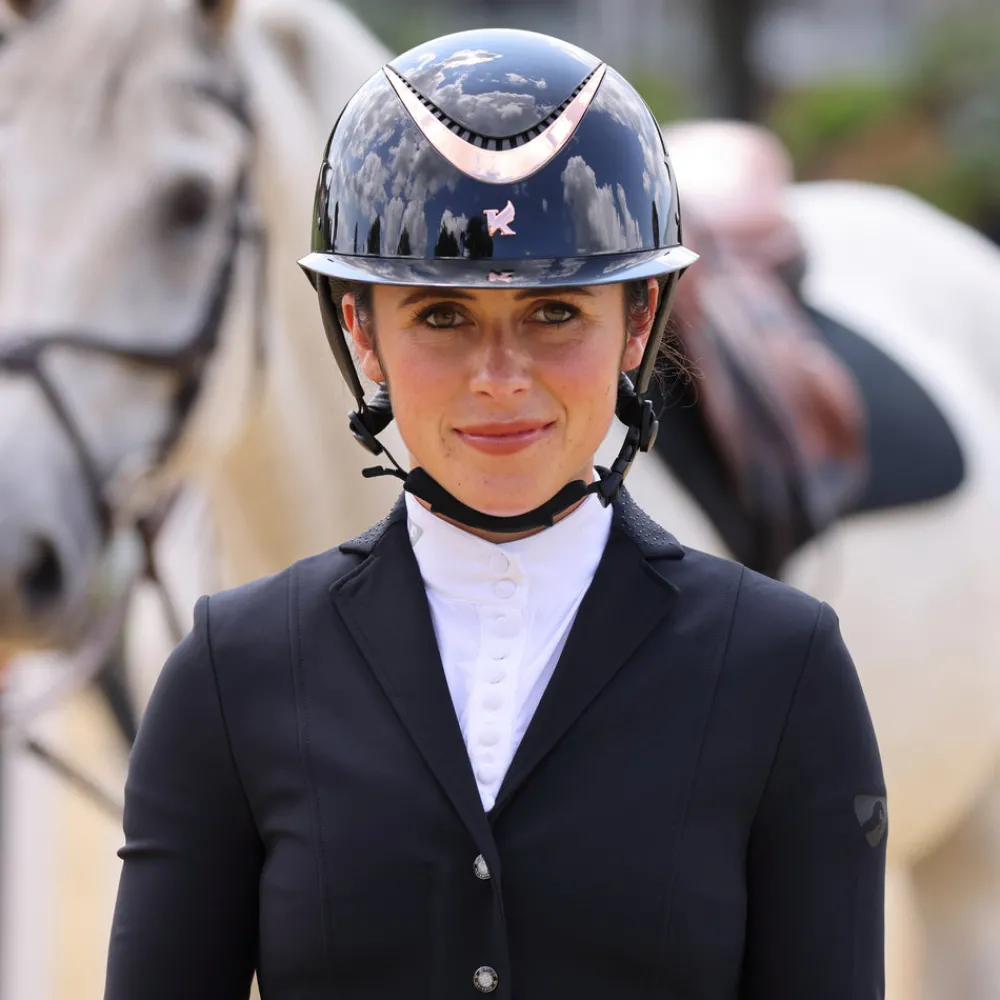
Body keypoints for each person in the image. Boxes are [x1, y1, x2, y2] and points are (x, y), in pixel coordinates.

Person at [104, 27, 886, 1000]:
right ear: (361, 330)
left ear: (638, 321)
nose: (500, 378)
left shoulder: (786, 668)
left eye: (555, 313)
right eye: (442, 316)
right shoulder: (229, 673)